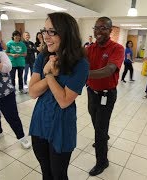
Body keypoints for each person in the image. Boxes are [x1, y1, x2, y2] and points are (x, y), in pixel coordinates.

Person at [28, 12, 89, 180]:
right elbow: (32, 92)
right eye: (44, 31)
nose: (45, 37)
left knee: (59, 174)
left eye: (52, 31)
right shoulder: (43, 57)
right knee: (46, 172)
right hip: (40, 119)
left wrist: (49, 75)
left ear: (66, 33)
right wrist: (50, 74)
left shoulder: (80, 64)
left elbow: (64, 101)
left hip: (62, 125)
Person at [86, 16, 124, 176]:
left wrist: (84, 74)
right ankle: (103, 135)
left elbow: (109, 70)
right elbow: (76, 59)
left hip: (107, 95)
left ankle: (102, 161)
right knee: (94, 119)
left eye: (103, 28)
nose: (99, 31)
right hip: (91, 92)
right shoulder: (90, 48)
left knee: (100, 130)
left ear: (110, 30)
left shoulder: (117, 48)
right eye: (96, 27)